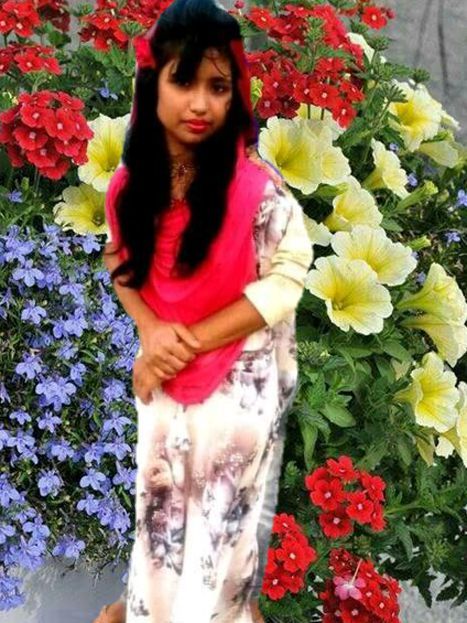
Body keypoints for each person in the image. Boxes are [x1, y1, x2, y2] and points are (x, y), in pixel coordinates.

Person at [95, 0, 313, 621]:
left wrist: (177, 343)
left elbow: (285, 281)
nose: (200, 104)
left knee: (219, 533)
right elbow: (119, 256)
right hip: (166, 380)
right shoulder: (131, 185)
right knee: (161, 516)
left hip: (237, 383)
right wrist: (151, 330)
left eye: (217, 87)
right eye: (183, 81)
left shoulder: (257, 190)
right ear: (152, 85)